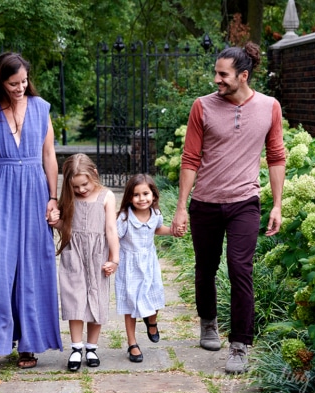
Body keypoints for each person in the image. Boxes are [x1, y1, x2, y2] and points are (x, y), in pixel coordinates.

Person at [170, 42, 286, 374]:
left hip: (244, 203)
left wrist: (277, 205)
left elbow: (276, 157)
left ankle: (239, 344)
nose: (216, 80)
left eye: (223, 74)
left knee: (240, 269)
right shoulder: (202, 106)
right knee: (205, 268)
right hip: (205, 203)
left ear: (243, 75)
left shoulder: (269, 107)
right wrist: (181, 207)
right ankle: (208, 322)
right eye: (216, 73)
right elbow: (190, 158)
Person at [0, 52, 62, 379]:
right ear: (0, 82)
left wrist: (53, 198)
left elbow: (49, 155)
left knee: (33, 264)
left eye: (24, 81)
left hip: (35, 192)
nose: (20, 88)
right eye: (13, 83)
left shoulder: (41, 108)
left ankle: (29, 341)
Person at [48, 153, 119, 372]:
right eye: (75, 186)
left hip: (98, 256)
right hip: (74, 255)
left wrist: (114, 259)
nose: (81, 190)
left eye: (84, 184)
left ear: (94, 175)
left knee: (96, 300)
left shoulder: (106, 196)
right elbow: (65, 226)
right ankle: (76, 347)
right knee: (75, 300)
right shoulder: (70, 198)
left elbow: (110, 229)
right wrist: (55, 220)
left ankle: (92, 347)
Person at [116, 174, 184, 363]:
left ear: (153, 195)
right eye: (136, 195)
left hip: (149, 264)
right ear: (129, 197)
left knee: (154, 298)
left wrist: (172, 231)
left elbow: (157, 229)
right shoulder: (124, 218)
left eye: (145, 193)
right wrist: (111, 259)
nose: (141, 198)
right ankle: (132, 343)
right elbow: (114, 239)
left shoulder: (155, 215)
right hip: (129, 266)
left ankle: (151, 322)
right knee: (130, 305)